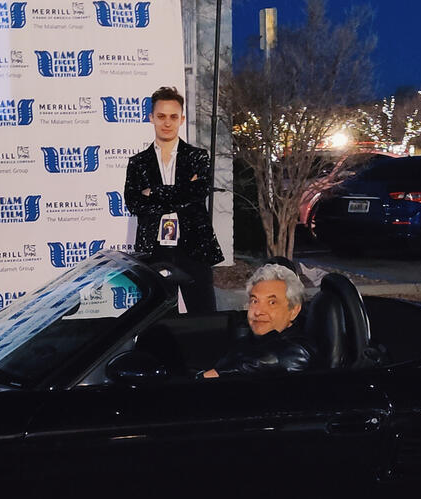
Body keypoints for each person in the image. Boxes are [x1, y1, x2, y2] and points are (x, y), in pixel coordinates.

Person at [124, 86, 223, 312]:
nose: (167, 122)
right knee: (160, 322)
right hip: (155, 249)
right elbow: (133, 202)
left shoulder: (198, 156)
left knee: (204, 318)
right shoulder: (137, 163)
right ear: (151, 118)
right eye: (161, 116)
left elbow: (198, 192)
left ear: (181, 119)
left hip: (194, 248)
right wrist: (181, 191)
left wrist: (154, 192)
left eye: (173, 117)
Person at [202, 264, 313, 378]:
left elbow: (288, 358)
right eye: (255, 301)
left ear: (294, 310)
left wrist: (215, 374)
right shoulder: (249, 341)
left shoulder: (297, 350)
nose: (258, 311)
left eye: (272, 303)